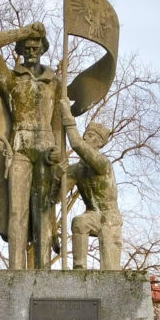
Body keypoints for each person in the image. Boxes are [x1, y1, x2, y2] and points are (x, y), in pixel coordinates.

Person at [0, 22, 62, 270]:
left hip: (46, 149)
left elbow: (58, 119)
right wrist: (24, 31)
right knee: (17, 212)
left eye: (36, 45)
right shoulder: (10, 78)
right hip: (19, 146)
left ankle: (44, 272)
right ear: (20, 48)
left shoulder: (54, 82)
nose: (31, 49)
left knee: (43, 214)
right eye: (26, 46)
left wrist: (60, 152)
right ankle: (15, 272)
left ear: (43, 48)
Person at [58, 98, 122, 270]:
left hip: (110, 217)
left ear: (100, 143)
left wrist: (67, 116)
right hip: (93, 214)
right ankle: (79, 269)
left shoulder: (102, 163)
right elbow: (57, 196)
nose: (86, 137)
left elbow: (77, 144)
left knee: (111, 271)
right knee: (79, 222)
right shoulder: (76, 169)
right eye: (86, 133)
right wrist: (58, 175)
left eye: (91, 136)